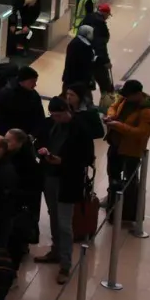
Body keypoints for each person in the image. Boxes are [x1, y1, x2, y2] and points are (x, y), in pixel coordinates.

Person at [36, 96, 94, 282]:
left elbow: (86, 157)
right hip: (49, 177)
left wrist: (63, 161)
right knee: (53, 216)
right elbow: (38, 141)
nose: (56, 119)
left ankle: (66, 264)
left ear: (68, 111)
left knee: (64, 223)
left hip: (68, 181)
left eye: (59, 115)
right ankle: (56, 251)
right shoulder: (49, 124)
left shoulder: (81, 129)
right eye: (53, 115)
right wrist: (42, 150)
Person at [104, 79, 150, 231]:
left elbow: (141, 133)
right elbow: (113, 107)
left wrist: (118, 126)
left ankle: (129, 212)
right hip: (115, 144)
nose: (126, 98)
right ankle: (112, 201)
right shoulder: (124, 98)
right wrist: (112, 116)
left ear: (138, 94)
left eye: (129, 96)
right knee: (113, 174)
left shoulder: (148, 112)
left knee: (130, 180)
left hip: (130, 150)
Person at [4, 129, 42, 264]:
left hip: (19, 203)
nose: (5, 142)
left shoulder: (27, 163)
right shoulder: (12, 156)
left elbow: (32, 188)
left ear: (20, 143)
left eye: (8, 140)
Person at [0, 66, 46, 141]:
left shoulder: (34, 95)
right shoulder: (6, 94)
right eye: (32, 82)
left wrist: (33, 134)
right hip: (7, 137)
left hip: (25, 137)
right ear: (23, 80)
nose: (35, 85)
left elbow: (40, 116)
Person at [82, 3, 115, 97]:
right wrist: (106, 61)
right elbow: (100, 45)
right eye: (108, 15)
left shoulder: (88, 18)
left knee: (85, 84)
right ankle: (106, 104)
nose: (108, 17)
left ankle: (87, 103)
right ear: (105, 13)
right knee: (105, 84)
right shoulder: (100, 23)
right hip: (97, 59)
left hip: (84, 56)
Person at [62, 25, 98, 95]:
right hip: (78, 82)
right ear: (87, 33)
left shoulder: (74, 42)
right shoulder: (85, 47)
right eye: (91, 33)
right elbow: (86, 66)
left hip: (70, 80)